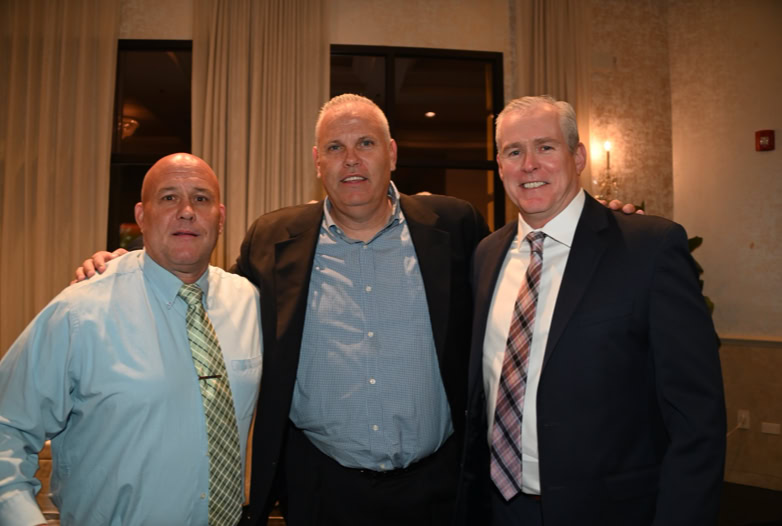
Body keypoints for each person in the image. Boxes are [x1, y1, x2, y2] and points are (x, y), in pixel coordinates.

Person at [457, 96, 726, 526]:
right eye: (513, 151)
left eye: (545, 147)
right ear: (500, 166)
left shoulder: (647, 249)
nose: (529, 164)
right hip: (500, 509)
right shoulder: (486, 254)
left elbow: (697, 417)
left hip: (611, 510)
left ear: (578, 156)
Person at [0, 153, 262, 525]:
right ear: (141, 216)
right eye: (169, 197)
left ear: (220, 217)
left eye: (201, 198)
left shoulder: (249, 302)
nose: (187, 211)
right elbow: (8, 426)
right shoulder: (81, 311)